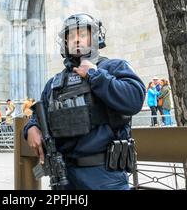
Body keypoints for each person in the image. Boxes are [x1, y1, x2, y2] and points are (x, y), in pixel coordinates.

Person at [23, 13, 145, 190]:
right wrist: (30, 128)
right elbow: (39, 115)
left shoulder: (113, 67)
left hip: (105, 176)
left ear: (94, 37)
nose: (76, 40)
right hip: (64, 175)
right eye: (71, 36)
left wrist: (95, 75)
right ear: (65, 43)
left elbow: (134, 100)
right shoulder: (55, 83)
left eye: (82, 34)